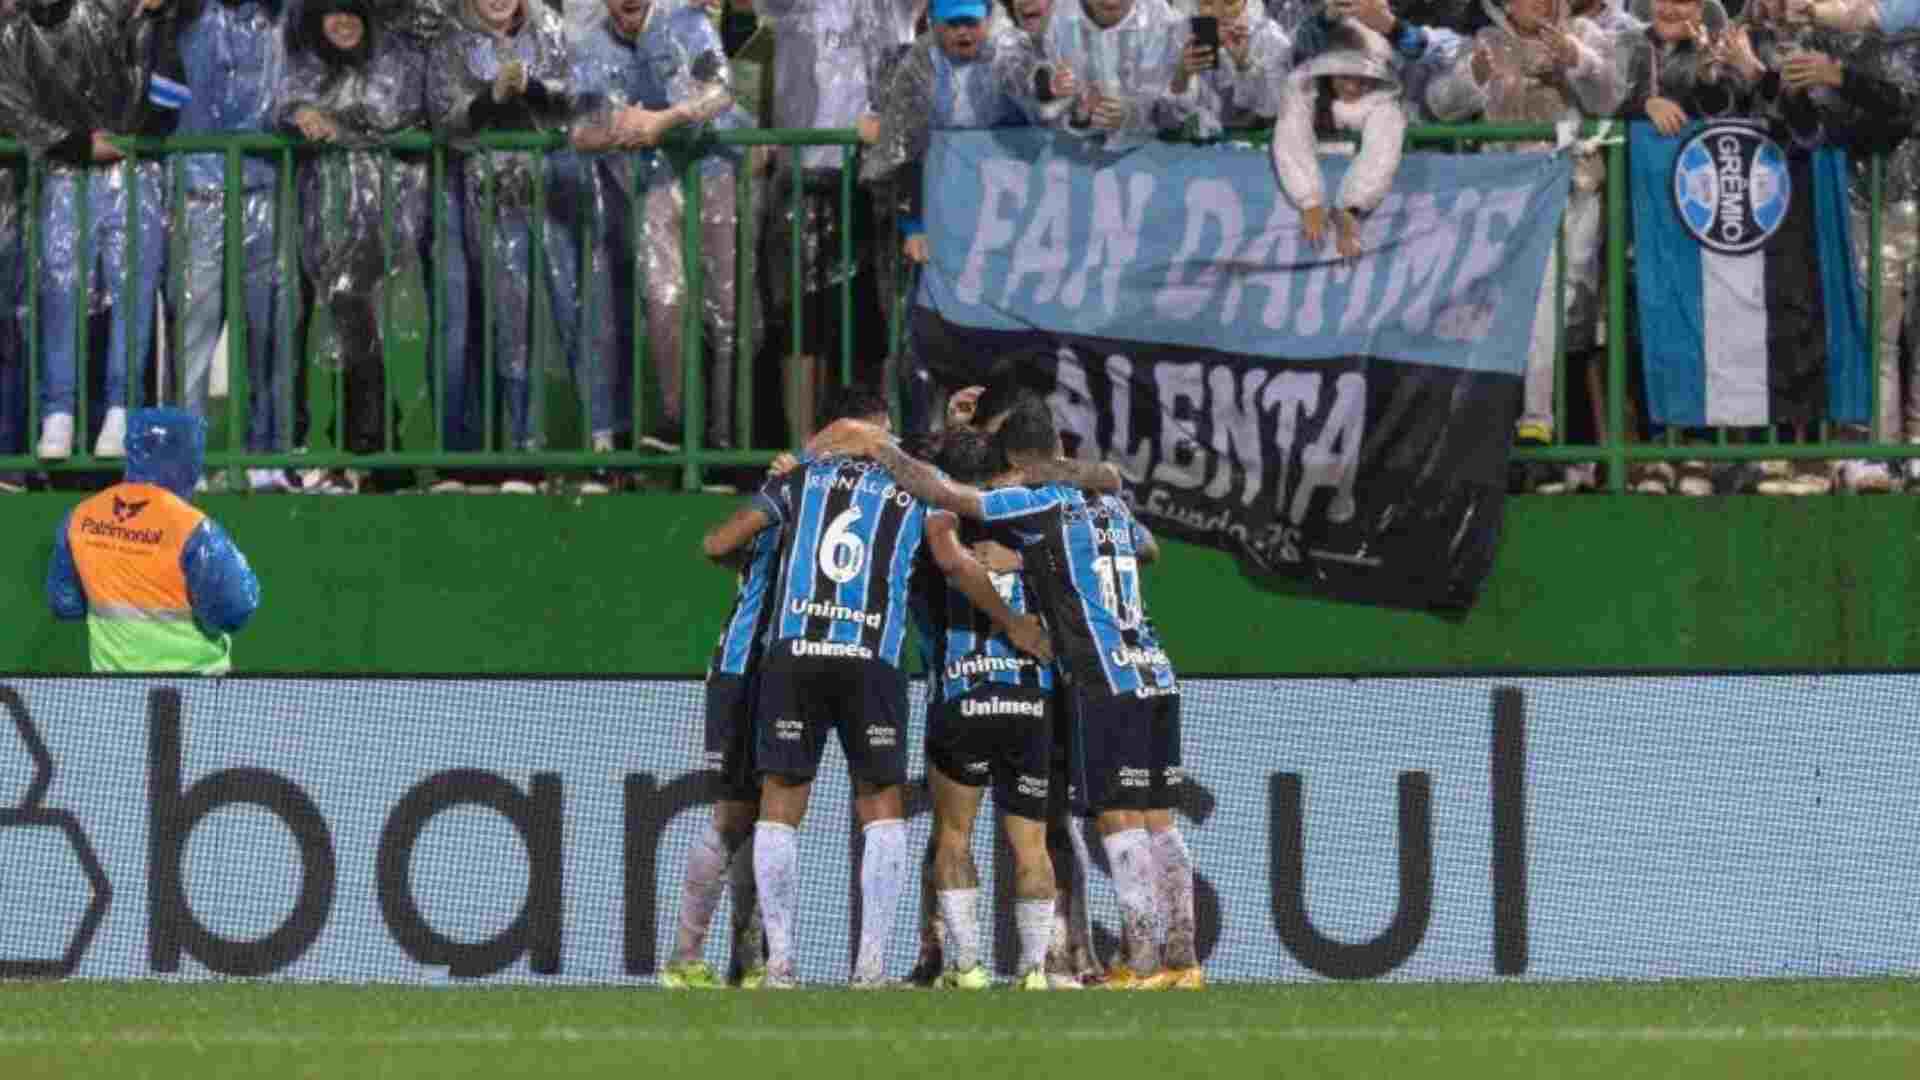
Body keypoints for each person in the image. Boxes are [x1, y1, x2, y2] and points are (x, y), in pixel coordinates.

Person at [808, 396, 1199, 989]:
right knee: (1120, 825)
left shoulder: (1020, 507)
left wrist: (880, 448)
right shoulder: (1103, 500)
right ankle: (1158, 959)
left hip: (1066, 680)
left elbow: (952, 500)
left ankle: (1121, 961)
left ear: (1015, 460)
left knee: (1092, 821)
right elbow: (1141, 542)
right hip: (1118, 673)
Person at [704, 383, 1049, 987]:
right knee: (881, 812)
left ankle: (781, 964)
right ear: (875, 432)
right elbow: (950, 557)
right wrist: (1014, 618)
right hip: (871, 660)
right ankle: (870, 968)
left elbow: (718, 543)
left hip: (796, 656)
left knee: (781, 811)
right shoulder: (911, 489)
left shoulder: (796, 481)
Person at [1426, 0, 1624, 490]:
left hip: (1575, 190)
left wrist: (1576, 59)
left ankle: (1571, 458)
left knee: (1573, 315)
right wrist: (1470, 76)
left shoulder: (1583, 32)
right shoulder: (1484, 43)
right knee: (1530, 305)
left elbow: (1611, 98)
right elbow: (1440, 105)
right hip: (1508, 198)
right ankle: (1533, 427)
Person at [0, 0, 183, 462]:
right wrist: (77, 144)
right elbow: (10, 105)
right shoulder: (18, 32)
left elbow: (167, 100)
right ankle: (57, 413)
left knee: (132, 292)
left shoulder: (133, 19)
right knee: (60, 290)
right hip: (66, 174)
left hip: (132, 171)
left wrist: (155, 22)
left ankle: (122, 411)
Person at [569, 0, 750, 465]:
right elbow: (577, 132)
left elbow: (722, 91)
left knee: (725, 309)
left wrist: (662, 121)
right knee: (664, 299)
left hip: (714, 170)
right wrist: (624, 130)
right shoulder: (590, 48)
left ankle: (725, 437)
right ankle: (676, 422)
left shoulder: (688, 24)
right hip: (653, 182)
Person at [912, 430, 1059, 990]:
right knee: (1032, 845)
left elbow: (944, 559)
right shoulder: (1032, 527)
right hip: (1027, 698)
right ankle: (1035, 970)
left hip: (963, 694)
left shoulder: (933, 529)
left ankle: (968, 965)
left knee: (954, 836)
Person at [427, 0, 583, 491]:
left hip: (544, 193)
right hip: (475, 196)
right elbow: (442, 118)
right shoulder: (451, 37)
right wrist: (489, 99)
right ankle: (491, 456)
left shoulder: (551, 28)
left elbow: (576, 101)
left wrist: (531, 88)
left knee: (548, 320)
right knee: (485, 326)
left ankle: (561, 455)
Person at [753, 0, 921, 444]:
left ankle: (872, 448)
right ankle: (805, 453)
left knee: (874, 328)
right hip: (805, 177)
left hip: (878, 181)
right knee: (801, 327)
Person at [282, 0, 431, 494]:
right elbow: (282, 108)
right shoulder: (306, 71)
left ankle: (397, 460)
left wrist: (341, 124)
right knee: (336, 343)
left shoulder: (397, 66)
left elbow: (408, 117)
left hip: (393, 231)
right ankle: (336, 454)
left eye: (352, 12)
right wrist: (299, 114)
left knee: (397, 341)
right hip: (330, 235)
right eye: (332, 13)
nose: (343, 22)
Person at [862, 0, 1027, 438]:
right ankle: (921, 440)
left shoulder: (1009, 59)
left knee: (1003, 338)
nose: (963, 32)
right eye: (952, 24)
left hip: (999, 226)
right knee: (922, 338)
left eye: (971, 22)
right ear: (934, 24)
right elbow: (902, 152)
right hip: (937, 227)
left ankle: (998, 438)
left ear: (986, 21)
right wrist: (912, 224)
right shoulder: (918, 64)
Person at [172, 0, 294, 492]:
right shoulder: (182, 14)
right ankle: (186, 463)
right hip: (198, 190)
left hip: (264, 185)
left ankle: (268, 455)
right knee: (194, 332)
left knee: (269, 330)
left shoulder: (283, 16)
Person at [46, 407, 260, 674]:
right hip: (198, 692)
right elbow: (234, 611)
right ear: (190, 457)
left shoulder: (81, 517)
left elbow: (65, 604)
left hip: (111, 692)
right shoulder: (194, 529)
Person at [1270, 20, 1408, 259]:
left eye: (1362, 79)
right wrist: (1309, 201)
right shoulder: (1304, 91)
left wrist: (1351, 209)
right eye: (1344, 78)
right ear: (1330, 70)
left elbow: (1382, 154)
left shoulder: (1385, 107)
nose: (1353, 88)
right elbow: (1290, 134)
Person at [1042, 0, 1208, 148]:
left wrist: (1131, 116)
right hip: (1078, 155)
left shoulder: (1166, 23)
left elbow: (1176, 116)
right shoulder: (1059, 18)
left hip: (1151, 158)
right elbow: (1048, 107)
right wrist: (1077, 113)